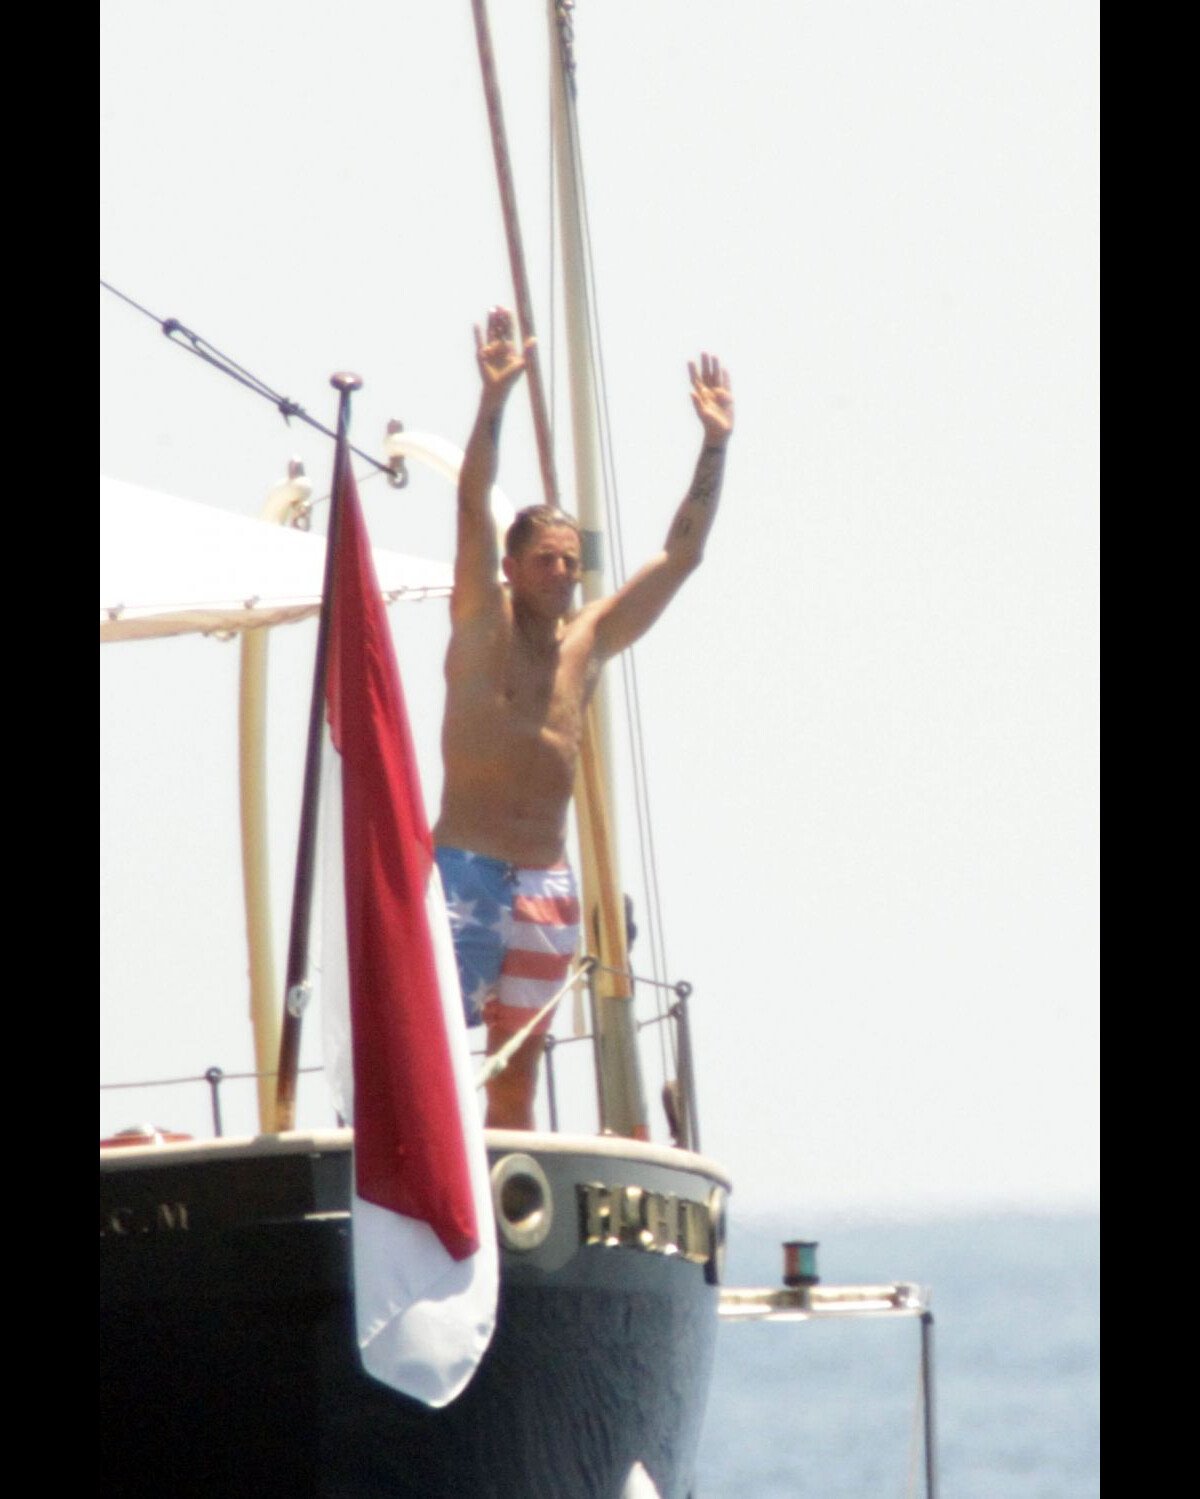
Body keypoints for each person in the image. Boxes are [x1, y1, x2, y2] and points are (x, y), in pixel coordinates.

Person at [433, 307, 733, 1129]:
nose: (563, 572)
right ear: (512, 565)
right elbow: (468, 506)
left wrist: (714, 446)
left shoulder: (589, 639)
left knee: (517, 1073)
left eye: (571, 561)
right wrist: (494, 399)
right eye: (546, 559)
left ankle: (503, 1199)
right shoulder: (480, 618)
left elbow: (682, 555)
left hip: (545, 881)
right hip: (466, 869)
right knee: (430, 1053)